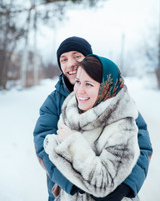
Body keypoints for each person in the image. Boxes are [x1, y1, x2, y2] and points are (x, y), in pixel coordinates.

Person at [33, 36, 152, 201]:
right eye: (64, 59)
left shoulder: (117, 99)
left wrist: (125, 186)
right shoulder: (54, 102)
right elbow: (44, 144)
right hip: (67, 192)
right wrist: (71, 180)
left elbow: (142, 146)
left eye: (77, 56)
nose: (70, 63)